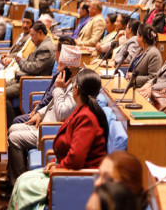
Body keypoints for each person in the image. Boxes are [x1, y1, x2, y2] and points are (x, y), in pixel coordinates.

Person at [8, 69, 108, 210]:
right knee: (22, 179)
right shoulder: (81, 110)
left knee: (24, 186)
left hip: (75, 178)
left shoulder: (87, 118)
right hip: (67, 169)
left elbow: (76, 158)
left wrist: (58, 167)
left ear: (76, 89)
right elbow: (72, 148)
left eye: (72, 85)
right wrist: (55, 161)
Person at [6, 42, 81, 186]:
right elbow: (52, 103)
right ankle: (14, 176)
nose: (58, 69)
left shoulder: (77, 85)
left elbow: (62, 113)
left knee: (14, 138)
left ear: (69, 68)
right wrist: (40, 113)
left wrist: (58, 89)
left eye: (60, 66)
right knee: (12, 128)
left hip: (52, 129)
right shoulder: (68, 77)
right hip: (45, 121)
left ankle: (19, 182)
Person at [5, 22, 55, 124]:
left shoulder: (45, 48)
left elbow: (34, 68)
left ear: (40, 32)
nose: (31, 39)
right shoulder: (42, 44)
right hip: (24, 79)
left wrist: (21, 60)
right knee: (0, 85)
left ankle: (10, 124)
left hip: (31, 82)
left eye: (33, 35)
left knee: (3, 94)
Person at [127, 23, 162, 88]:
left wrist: (135, 79)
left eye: (137, 35)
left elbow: (153, 78)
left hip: (141, 89)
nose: (136, 38)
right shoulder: (139, 50)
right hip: (130, 84)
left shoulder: (154, 54)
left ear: (141, 37)